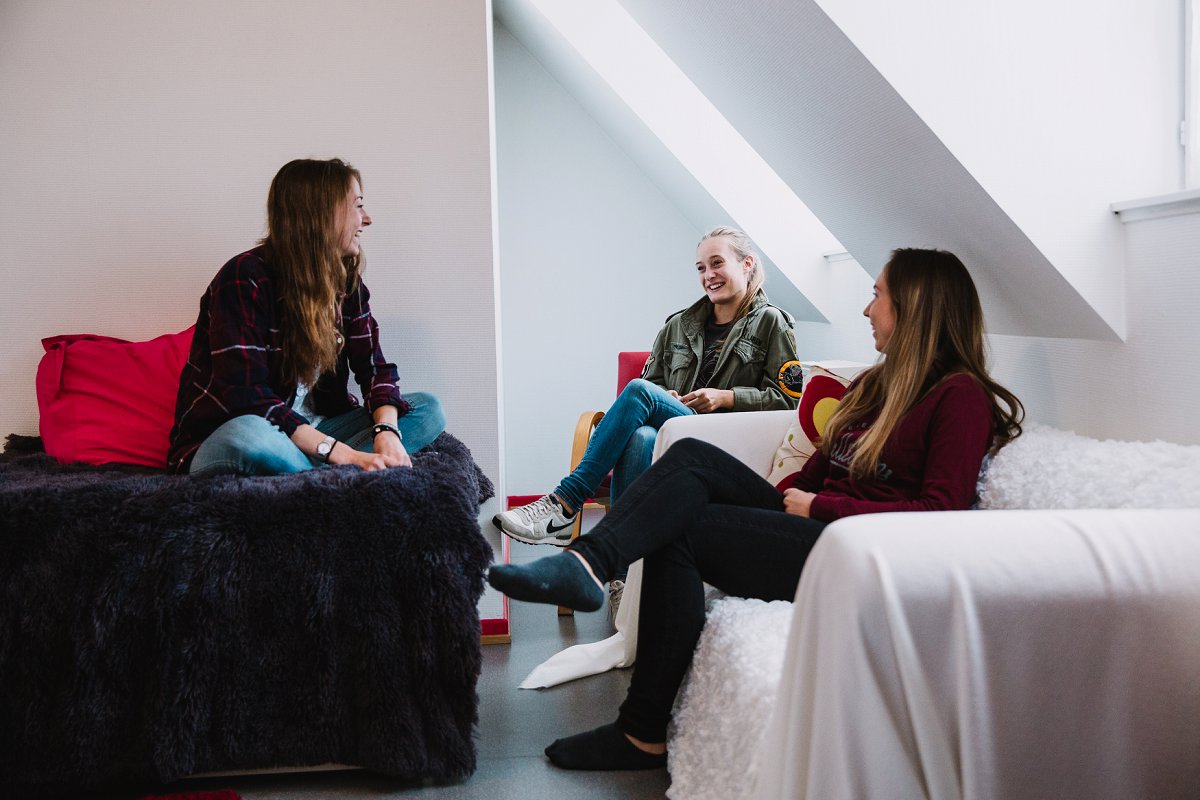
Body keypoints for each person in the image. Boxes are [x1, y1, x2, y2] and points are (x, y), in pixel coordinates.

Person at [487, 247, 1023, 771]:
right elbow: (821, 467)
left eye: (877, 294)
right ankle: (590, 572)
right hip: (816, 520)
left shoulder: (959, 397)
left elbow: (938, 511)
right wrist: (774, 499)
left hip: (858, 551)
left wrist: (819, 507)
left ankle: (640, 724)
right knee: (693, 456)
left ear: (916, 305)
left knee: (682, 532)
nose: (866, 309)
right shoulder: (882, 383)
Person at [493, 226, 802, 550]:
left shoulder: (772, 322)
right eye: (701, 268)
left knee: (639, 390)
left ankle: (565, 504)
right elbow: (653, 384)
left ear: (747, 264)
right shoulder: (677, 325)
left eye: (717, 263)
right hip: (672, 433)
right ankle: (621, 578)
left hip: (723, 442)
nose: (708, 275)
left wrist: (726, 397)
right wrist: (664, 396)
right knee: (640, 436)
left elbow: (787, 402)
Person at [167, 158, 445, 476]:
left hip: (318, 430)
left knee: (428, 409)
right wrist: (345, 455)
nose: (366, 219)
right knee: (249, 433)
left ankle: (310, 473)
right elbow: (249, 399)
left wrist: (386, 433)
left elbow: (375, 371)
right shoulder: (245, 277)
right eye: (357, 206)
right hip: (241, 435)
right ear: (321, 215)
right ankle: (330, 476)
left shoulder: (346, 283)